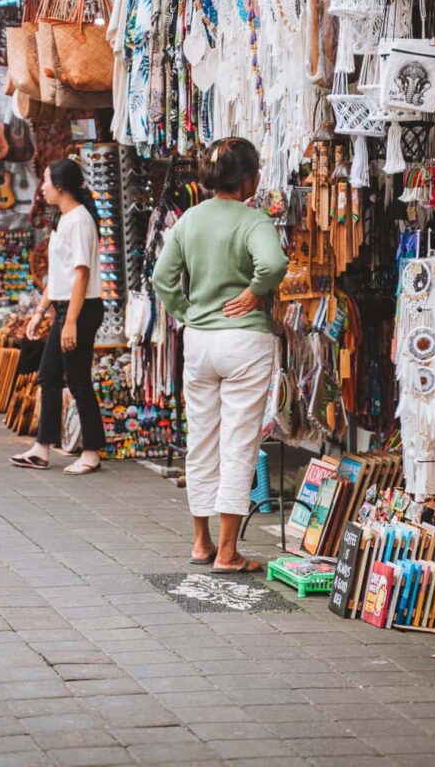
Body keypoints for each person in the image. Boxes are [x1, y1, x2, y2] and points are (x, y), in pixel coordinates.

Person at [152, 137, 288, 574]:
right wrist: (253, 293)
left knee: (202, 438)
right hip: (245, 341)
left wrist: (186, 312)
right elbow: (274, 264)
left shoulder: (189, 220)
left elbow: (162, 277)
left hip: (200, 339)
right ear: (248, 179)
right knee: (238, 442)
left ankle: (200, 541)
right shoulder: (253, 220)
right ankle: (228, 552)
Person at [12, 158, 105, 476]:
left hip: (81, 308)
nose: (42, 188)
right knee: (49, 376)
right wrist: (40, 312)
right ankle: (42, 448)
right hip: (67, 307)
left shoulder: (79, 221)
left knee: (78, 381)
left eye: (46, 182)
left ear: (61, 186)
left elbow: (81, 275)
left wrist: (70, 322)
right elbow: (59, 275)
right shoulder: (64, 219)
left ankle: (91, 453)